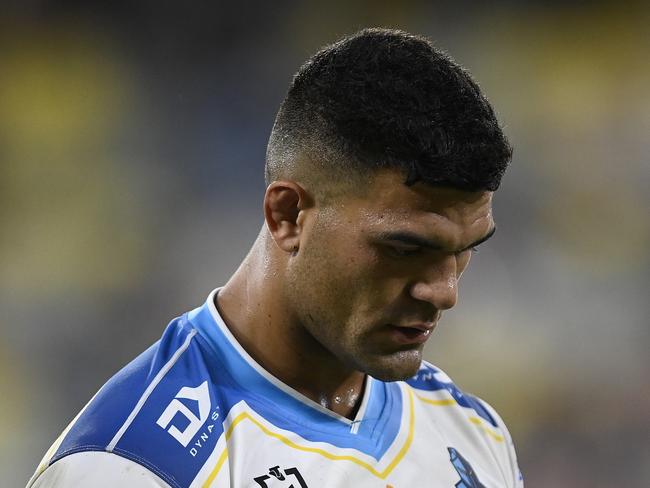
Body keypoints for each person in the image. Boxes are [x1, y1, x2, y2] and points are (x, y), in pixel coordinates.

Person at [28, 28, 523, 487]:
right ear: (287, 215)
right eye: (406, 249)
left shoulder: (473, 431)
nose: (445, 291)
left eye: (465, 250)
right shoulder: (130, 468)